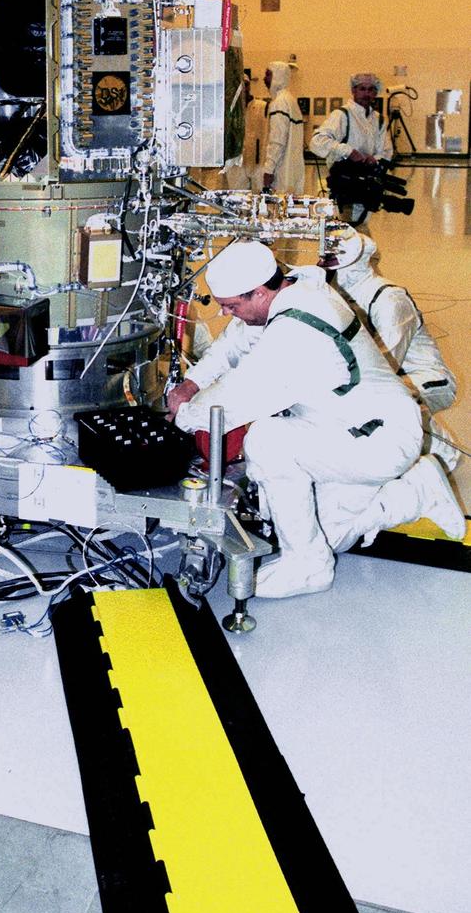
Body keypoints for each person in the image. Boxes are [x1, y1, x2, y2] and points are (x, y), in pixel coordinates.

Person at [166, 241, 465, 598]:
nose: (227, 314)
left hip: (376, 441)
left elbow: (238, 398)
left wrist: (184, 416)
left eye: (231, 306)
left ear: (259, 292)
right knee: (330, 536)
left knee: (267, 440)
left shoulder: (299, 329)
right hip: (343, 432)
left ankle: (307, 565)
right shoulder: (290, 293)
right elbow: (231, 344)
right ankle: (417, 491)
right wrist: (191, 383)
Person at [327, 230, 459, 471]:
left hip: (427, 378)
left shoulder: (388, 298)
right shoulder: (339, 296)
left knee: (386, 399)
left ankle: (443, 453)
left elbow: (385, 364)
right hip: (386, 373)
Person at [310, 73, 394, 221]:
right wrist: (348, 151)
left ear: (375, 93)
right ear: (353, 91)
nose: (366, 94)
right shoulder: (342, 115)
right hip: (345, 187)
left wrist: (374, 159)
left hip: (367, 187)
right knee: (348, 231)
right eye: (362, 89)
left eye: (370, 90)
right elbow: (317, 141)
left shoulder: (378, 120)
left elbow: (386, 151)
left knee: (361, 226)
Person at [260, 61, 305, 194]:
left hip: (281, 173)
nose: (264, 79)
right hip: (293, 172)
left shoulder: (279, 103)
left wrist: (268, 169)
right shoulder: (290, 100)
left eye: (268, 75)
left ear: (277, 76)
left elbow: (277, 140)